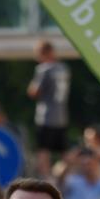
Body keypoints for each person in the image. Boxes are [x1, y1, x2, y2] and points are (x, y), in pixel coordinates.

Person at [27, 40, 71, 178]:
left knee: (43, 151)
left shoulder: (44, 69)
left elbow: (34, 91)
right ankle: (62, 178)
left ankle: (48, 180)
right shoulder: (63, 68)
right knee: (64, 152)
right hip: (61, 116)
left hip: (46, 116)